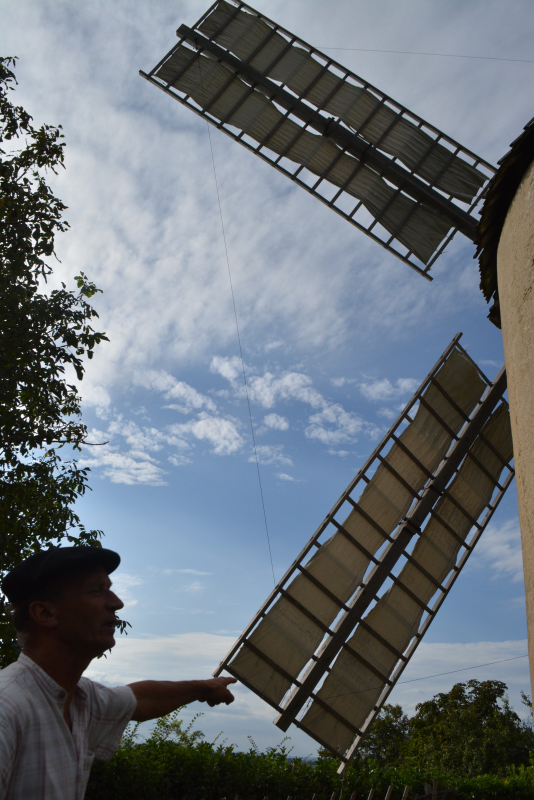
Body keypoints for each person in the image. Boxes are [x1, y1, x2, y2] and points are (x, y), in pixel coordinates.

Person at [0, 546, 237, 799]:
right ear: (45, 613)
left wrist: (205, 687)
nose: (117, 603)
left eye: (109, 589)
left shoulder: (81, 698)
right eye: (96, 590)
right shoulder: (7, 709)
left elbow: (141, 699)